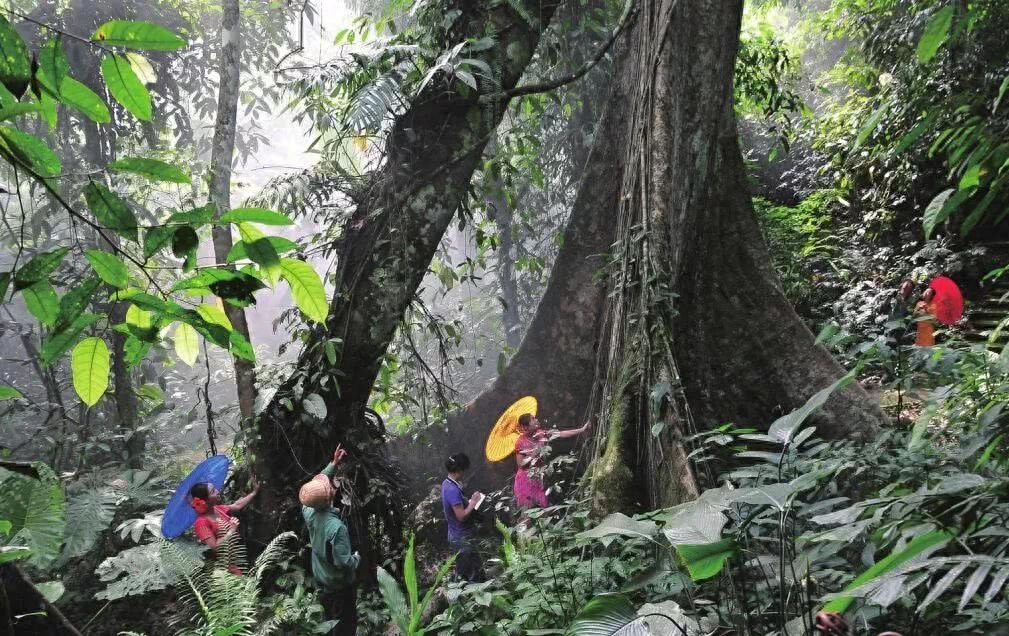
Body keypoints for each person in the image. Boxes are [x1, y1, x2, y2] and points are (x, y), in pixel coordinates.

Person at [300, 445, 360, 636]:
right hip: (339, 586)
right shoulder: (336, 528)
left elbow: (314, 488)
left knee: (330, 623)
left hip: (322, 582)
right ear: (330, 496)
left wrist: (333, 464)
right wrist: (356, 558)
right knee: (346, 625)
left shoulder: (309, 512)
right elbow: (344, 562)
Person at [514, 413, 590, 511]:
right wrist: (535, 454)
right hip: (525, 479)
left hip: (539, 478)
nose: (536, 420)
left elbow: (560, 434)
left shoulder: (541, 434)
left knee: (543, 510)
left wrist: (582, 430)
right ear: (525, 427)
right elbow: (521, 464)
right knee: (527, 511)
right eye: (532, 419)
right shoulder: (520, 442)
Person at [189, 477, 260, 574]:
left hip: (238, 559)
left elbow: (237, 505)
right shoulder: (201, 523)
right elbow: (214, 547)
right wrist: (231, 530)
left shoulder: (217, 509)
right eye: (213, 491)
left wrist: (254, 493)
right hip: (225, 568)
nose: (217, 492)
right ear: (204, 501)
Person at [441, 453, 485, 582]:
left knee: (470, 568)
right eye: (464, 470)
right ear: (459, 470)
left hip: (457, 533)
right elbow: (461, 516)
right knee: (470, 574)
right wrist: (473, 502)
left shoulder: (447, 483)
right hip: (461, 537)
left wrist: (468, 501)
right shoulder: (452, 490)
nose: (465, 473)